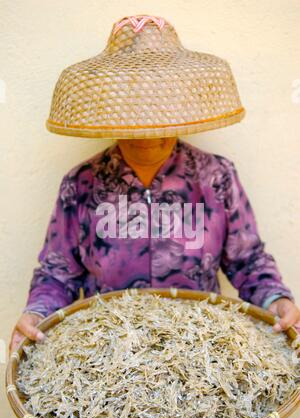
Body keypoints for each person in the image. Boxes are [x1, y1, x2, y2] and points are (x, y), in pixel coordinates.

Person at [9, 15, 300, 350]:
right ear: (113, 112)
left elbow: (248, 261)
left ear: (178, 111)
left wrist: (276, 300)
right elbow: (58, 272)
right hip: (106, 352)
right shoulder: (82, 184)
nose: (147, 127)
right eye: (133, 109)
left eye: (159, 111)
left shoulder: (216, 176)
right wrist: (36, 312)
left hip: (200, 351)